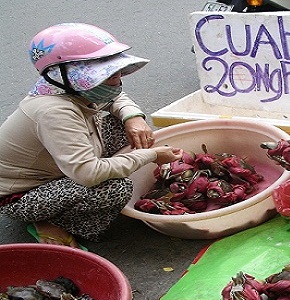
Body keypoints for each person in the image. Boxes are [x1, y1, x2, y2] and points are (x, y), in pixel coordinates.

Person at [0, 23, 183, 248]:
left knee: (124, 127)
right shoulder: (54, 111)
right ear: (65, 75)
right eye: (109, 76)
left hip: (59, 165)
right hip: (23, 195)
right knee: (116, 188)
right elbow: (88, 173)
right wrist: (151, 155)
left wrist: (133, 117)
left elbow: (116, 97)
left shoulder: (68, 87)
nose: (117, 79)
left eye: (116, 73)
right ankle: (52, 221)